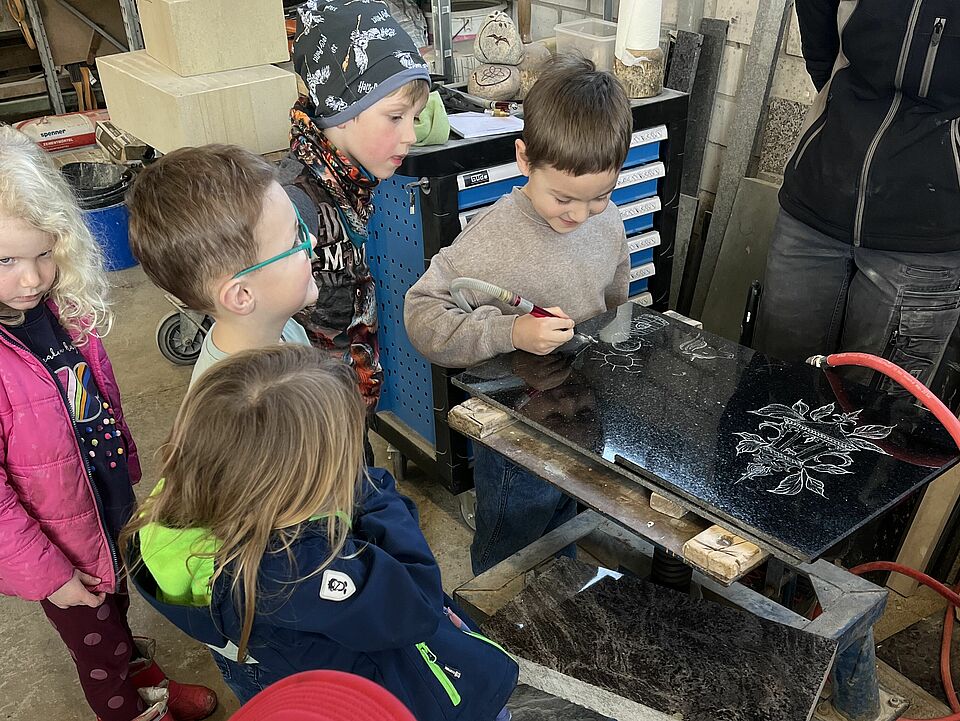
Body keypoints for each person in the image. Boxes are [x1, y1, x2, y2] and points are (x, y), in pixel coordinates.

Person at [120, 345, 519, 719]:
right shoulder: (294, 567)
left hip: (271, 664)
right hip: (384, 686)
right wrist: (374, 491)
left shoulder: (178, 502)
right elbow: (415, 602)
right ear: (297, 487)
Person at [0, 126, 217, 721]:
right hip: (58, 546)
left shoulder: (60, 312)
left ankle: (143, 678)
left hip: (105, 509)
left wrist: (128, 474)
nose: (32, 278)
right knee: (96, 646)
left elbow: (95, 403)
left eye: (44, 253)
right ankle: (125, 708)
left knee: (117, 612)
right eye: (7, 260)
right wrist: (50, 576)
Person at [403, 55, 632, 574]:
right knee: (513, 548)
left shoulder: (608, 222)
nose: (579, 214)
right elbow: (421, 315)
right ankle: (498, 629)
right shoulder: (492, 238)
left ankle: (560, 608)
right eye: (563, 198)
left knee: (565, 532)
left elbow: (617, 303)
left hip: (582, 419)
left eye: (600, 195)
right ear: (524, 159)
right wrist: (509, 331)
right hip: (515, 436)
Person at [754, 1, 960, 397]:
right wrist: (841, 110)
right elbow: (820, 33)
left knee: (877, 422)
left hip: (925, 238)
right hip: (816, 208)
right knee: (773, 393)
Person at [282, 0, 431, 415]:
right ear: (341, 110)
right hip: (310, 419)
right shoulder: (294, 206)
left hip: (348, 402)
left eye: (415, 119)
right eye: (396, 117)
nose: (411, 137)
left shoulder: (350, 183)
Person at [128, 145, 317, 386]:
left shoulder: (280, 326)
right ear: (242, 295)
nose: (311, 241)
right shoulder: (242, 408)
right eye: (294, 241)